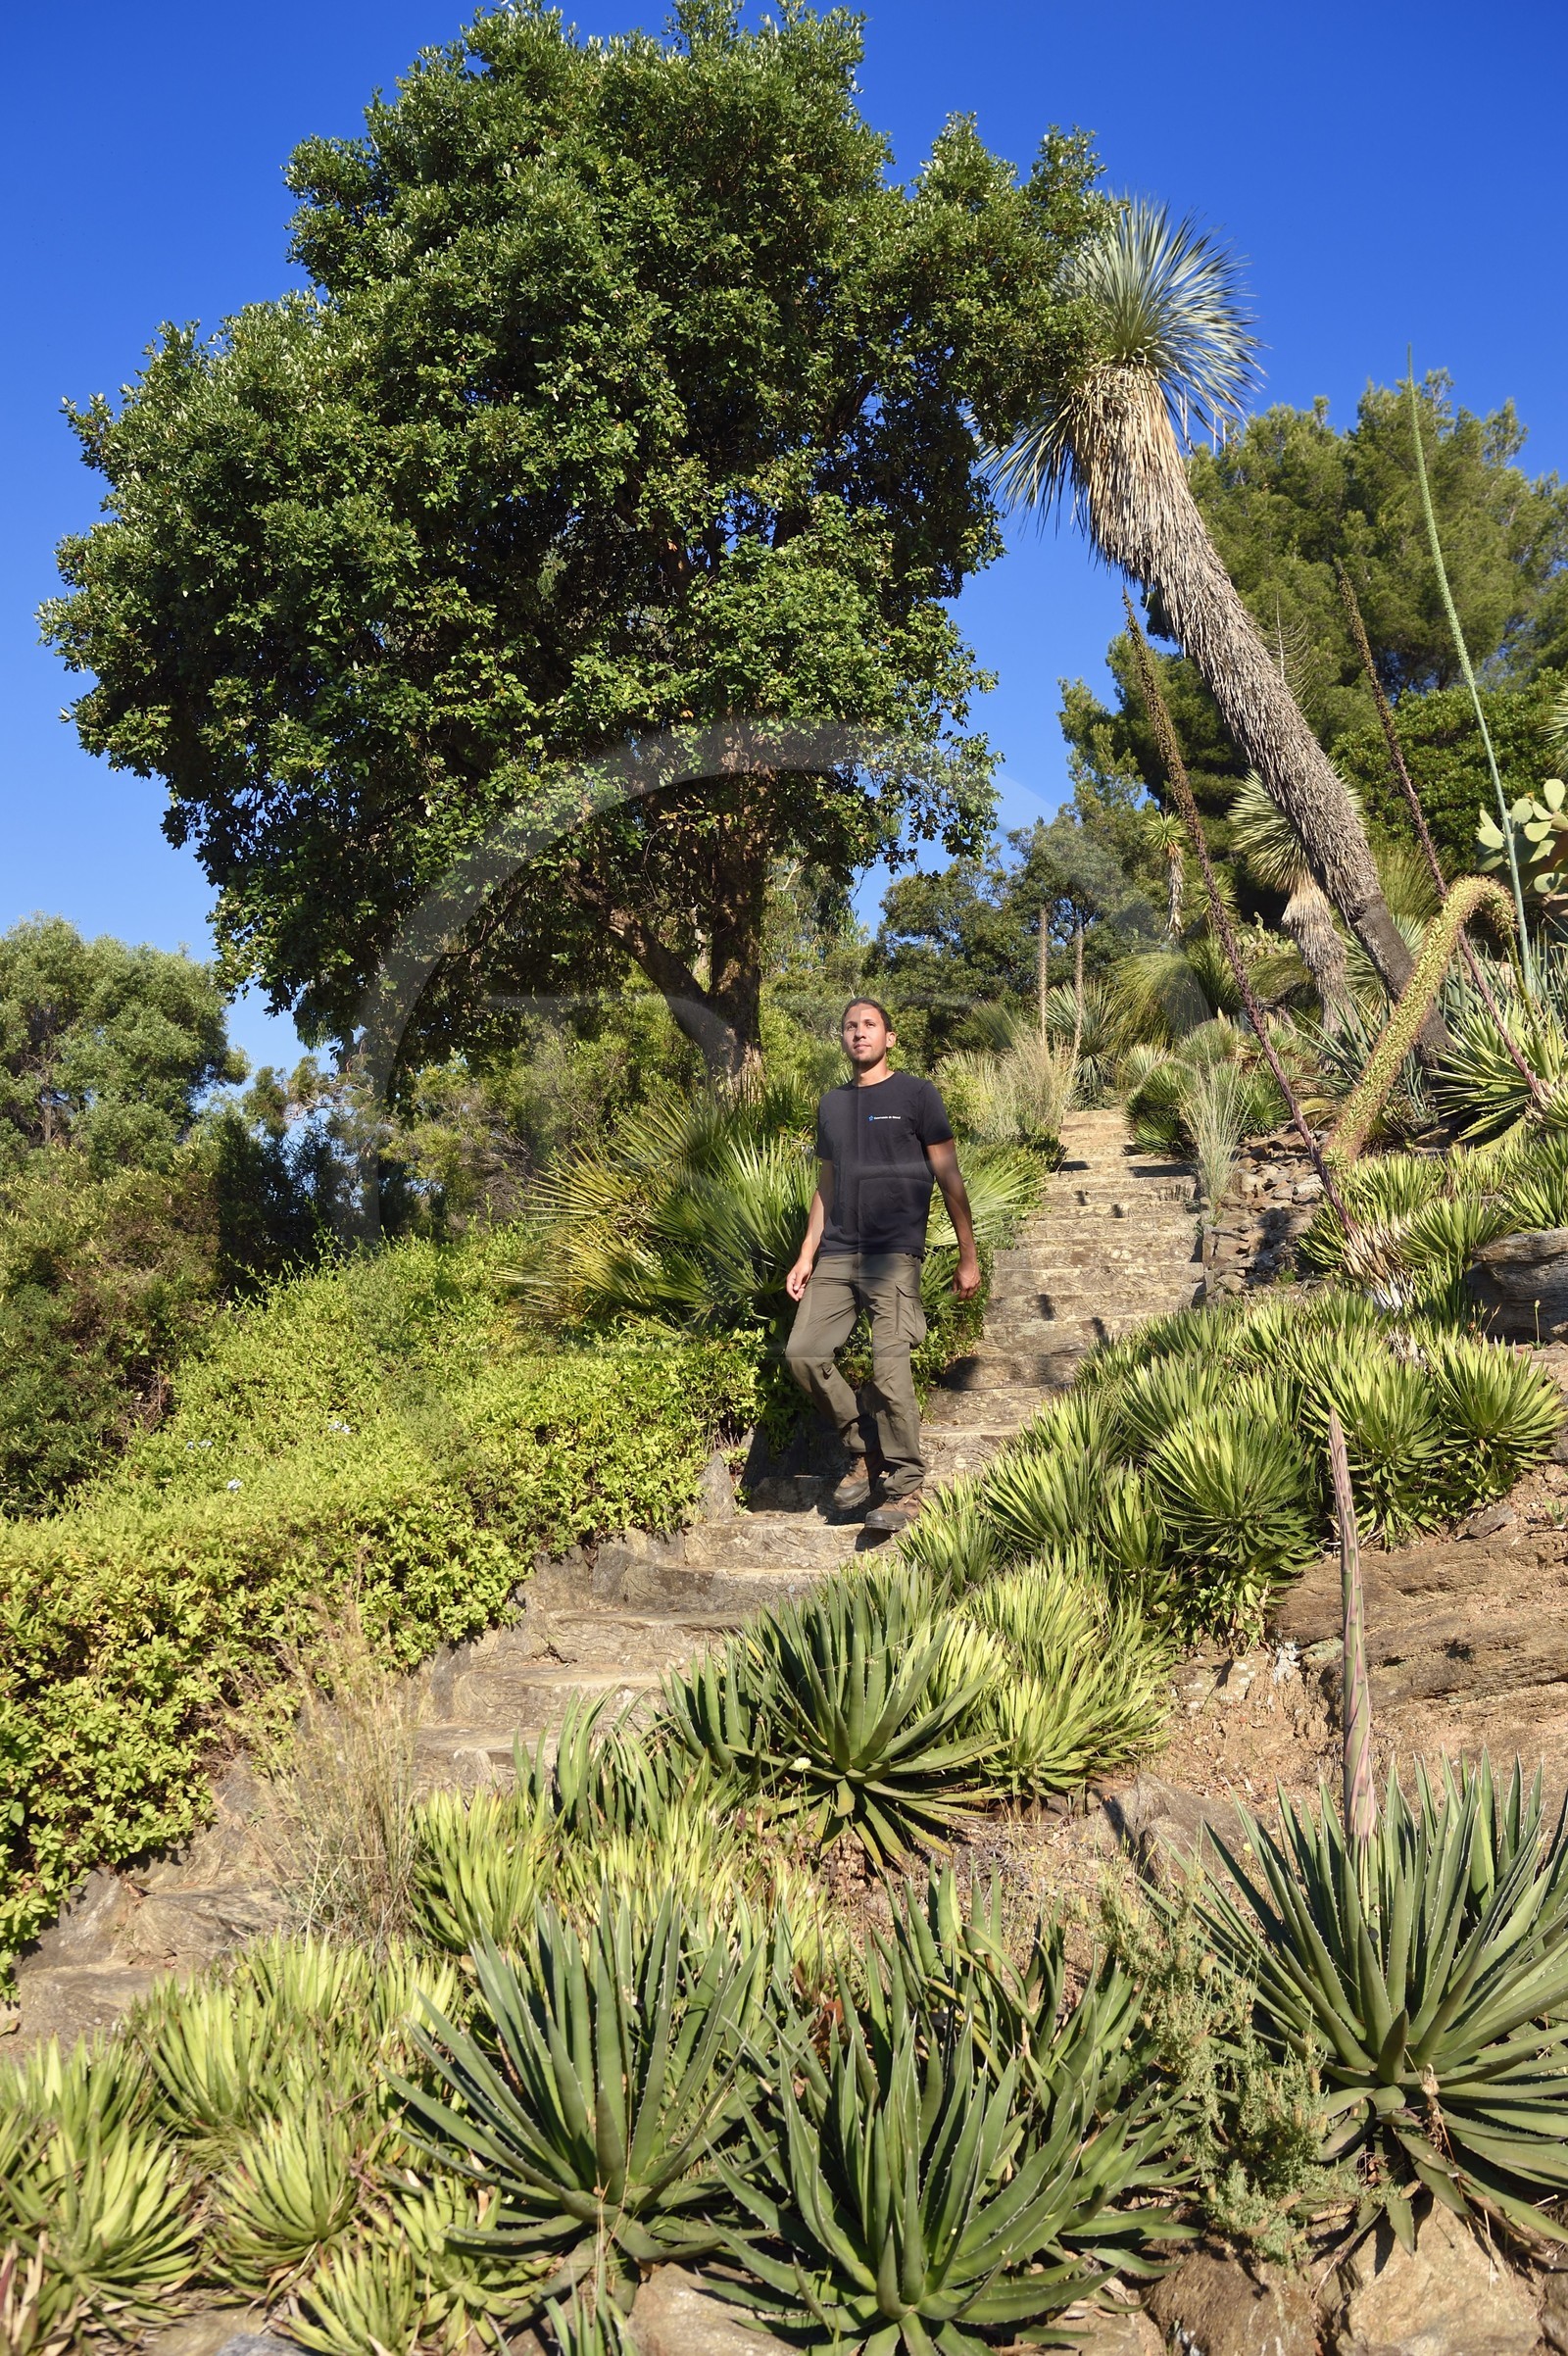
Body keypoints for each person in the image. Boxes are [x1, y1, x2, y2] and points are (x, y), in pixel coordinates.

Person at [784, 998, 980, 1534]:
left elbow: (950, 1176)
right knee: (803, 1354)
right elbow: (826, 1184)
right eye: (850, 1026)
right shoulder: (831, 1104)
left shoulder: (917, 1095)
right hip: (838, 1253)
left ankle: (905, 1485)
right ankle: (867, 1446)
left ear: (889, 1037)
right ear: (842, 1039)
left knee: (889, 1369)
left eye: (870, 1025)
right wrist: (806, 1254)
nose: (859, 1033)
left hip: (894, 1253)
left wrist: (968, 1252)